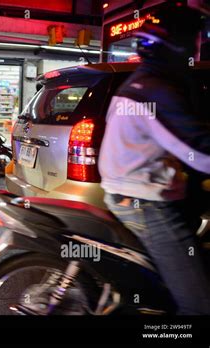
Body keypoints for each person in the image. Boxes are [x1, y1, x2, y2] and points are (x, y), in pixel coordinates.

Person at [98, 2, 210, 314]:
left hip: (127, 193)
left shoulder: (136, 83)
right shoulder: (155, 90)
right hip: (147, 202)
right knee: (200, 304)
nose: (198, 50)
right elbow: (200, 153)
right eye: (195, 42)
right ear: (178, 45)